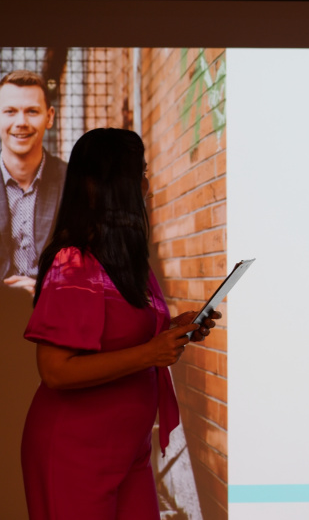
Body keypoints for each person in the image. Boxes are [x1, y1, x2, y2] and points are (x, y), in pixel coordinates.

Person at [20, 127, 221, 519]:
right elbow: (55, 370)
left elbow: (124, 337)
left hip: (130, 453)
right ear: (105, 186)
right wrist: (151, 353)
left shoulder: (128, 262)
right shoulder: (72, 263)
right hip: (74, 454)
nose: (146, 185)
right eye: (138, 174)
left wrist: (174, 330)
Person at [0, 70, 67, 296]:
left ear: (49, 117)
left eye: (32, 111)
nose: (21, 122)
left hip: (58, 309)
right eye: (10, 111)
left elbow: (98, 265)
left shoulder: (74, 184)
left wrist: (44, 289)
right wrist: (9, 294)